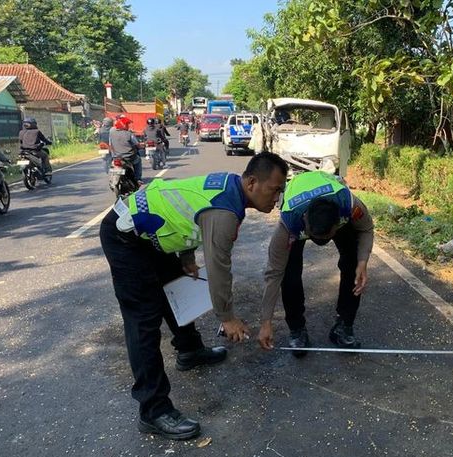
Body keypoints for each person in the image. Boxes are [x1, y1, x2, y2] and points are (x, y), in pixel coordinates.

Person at [99, 152, 288, 440]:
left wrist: (186, 255)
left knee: (175, 288)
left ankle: (189, 350)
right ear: (251, 182)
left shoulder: (229, 187)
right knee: (144, 319)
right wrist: (227, 317)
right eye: (275, 189)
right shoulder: (226, 212)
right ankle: (153, 410)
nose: (277, 199)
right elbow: (219, 266)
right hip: (125, 236)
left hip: (152, 235)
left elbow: (185, 212)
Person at [258, 171, 374, 356]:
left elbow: (366, 228)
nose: (321, 243)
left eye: (326, 237)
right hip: (299, 212)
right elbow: (273, 273)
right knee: (289, 275)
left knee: (353, 267)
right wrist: (266, 322)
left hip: (334, 210)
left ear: (338, 224)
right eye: (315, 237)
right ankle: (297, 330)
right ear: (306, 223)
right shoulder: (289, 223)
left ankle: (343, 327)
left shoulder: (350, 206)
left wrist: (363, 262)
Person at [109, 115, 143, 183]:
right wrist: (141, 146)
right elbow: (137, 145)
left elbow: (110, 144)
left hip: (116, 156)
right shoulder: (129, 134)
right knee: (138, 160)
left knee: (112, 165)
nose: (128, 126)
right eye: (127, 124)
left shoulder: (112, 132)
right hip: (128, 157)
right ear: (124, 125)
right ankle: (138, 178)